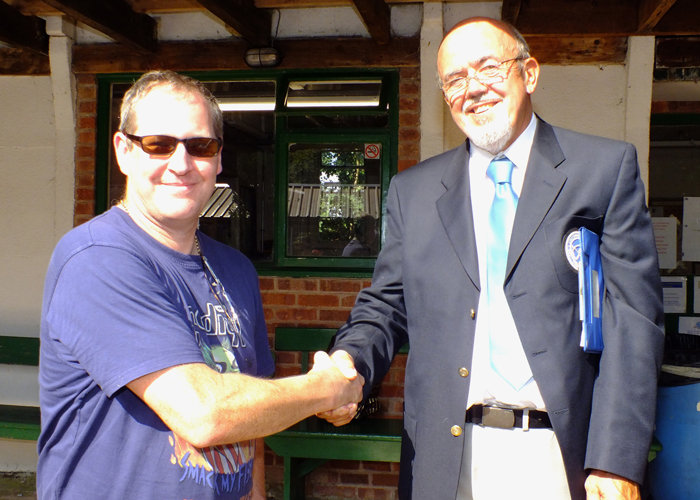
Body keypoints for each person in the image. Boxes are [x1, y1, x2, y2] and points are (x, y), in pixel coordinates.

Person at [318, 17, 664, 500]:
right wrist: (346, 363)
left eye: (488, 68)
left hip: (563, 455)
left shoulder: (603, 170)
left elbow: (633, 319)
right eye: (455, 79)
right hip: (445, 457)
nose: (473, 88)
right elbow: (387, 303)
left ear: (530, 73)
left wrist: (617, 460)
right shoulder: (414, 192)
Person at [37, 70, 363, 500]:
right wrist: (327, 388)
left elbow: (251, 415)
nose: (181, 163)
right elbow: (204, 415)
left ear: (218, 159)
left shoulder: (236, 268)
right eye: (158, 144)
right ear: (124, 151)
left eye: (200, 146)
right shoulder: (97, 258)